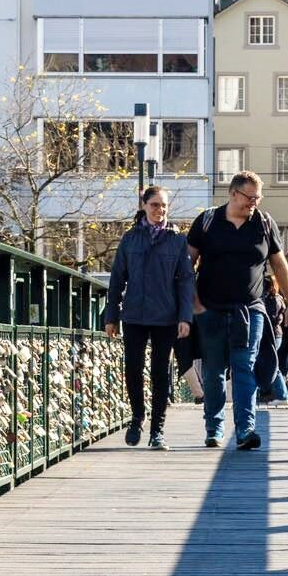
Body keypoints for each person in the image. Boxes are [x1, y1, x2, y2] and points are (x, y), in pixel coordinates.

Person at [189, 171, 288, 450]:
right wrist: (195, 305)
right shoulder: (207, 221)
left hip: (250, 310)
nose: (253, 203)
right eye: (249, 198)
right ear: (233, 193)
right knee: (214, 371)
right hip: (211, 309)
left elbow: (279, 265)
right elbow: (184, 265)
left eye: (258, 198)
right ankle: (214, 428)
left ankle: (245, 430)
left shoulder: (263, 223)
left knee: (244, 368)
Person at [103, 186, 194, 449]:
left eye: (164, 205)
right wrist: (112, 315)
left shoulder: (177, 241)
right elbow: (117, 279)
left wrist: (184, 317)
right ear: (144, 205)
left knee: (159, 373)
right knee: (132, 368)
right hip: (134, 315)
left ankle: (158, 430)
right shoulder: (130, 239)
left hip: (166, 317)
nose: (160, 210)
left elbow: (186, 282)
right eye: (154, 204)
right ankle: (137, 417)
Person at [255, 274, 288, 403]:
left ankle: (282, 395)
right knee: (268, 362)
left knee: (270, 363)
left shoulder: (272, 299)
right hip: (275, 334)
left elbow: (270, 317)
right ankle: (271, 392)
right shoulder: (278, 298)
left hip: (272, 334)